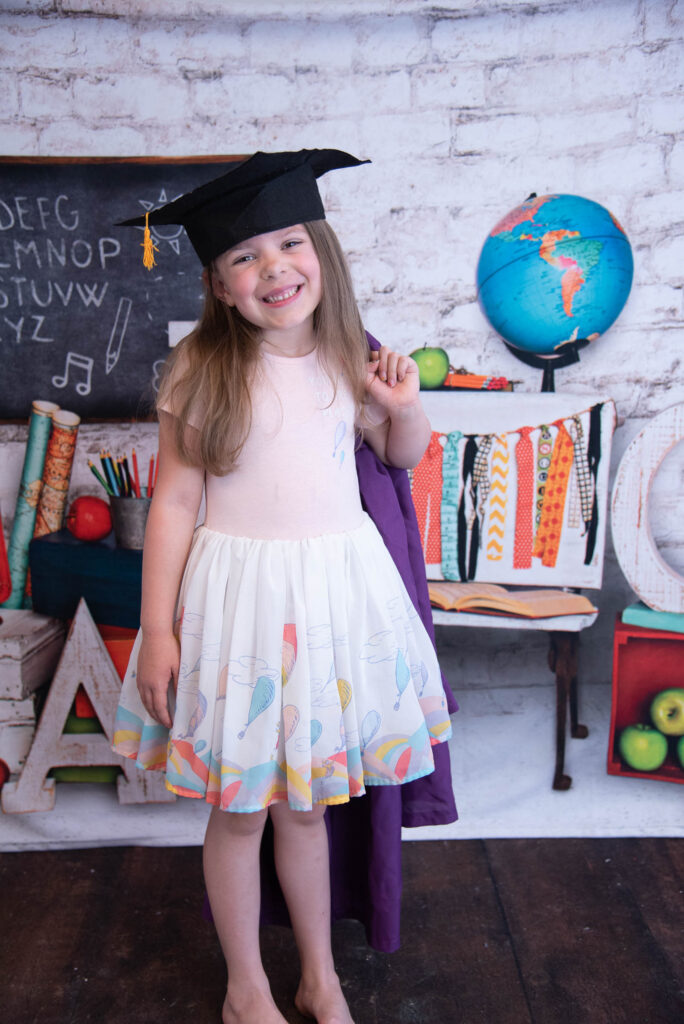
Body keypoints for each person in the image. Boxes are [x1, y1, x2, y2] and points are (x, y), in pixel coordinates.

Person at [113, 150, 456, 1024]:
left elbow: (400, 455)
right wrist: (158, 629)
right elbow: (175, 504)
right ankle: (245, 987)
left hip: (336, 604)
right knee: (241, 812)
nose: (274, 267)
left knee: (305, 811)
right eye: (245, 256)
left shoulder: (353, 358)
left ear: (322, 254)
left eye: (290, 244)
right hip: (241, 612)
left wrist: (406, 405)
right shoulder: (201, 369)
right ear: (220, 286)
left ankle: (319, 975)